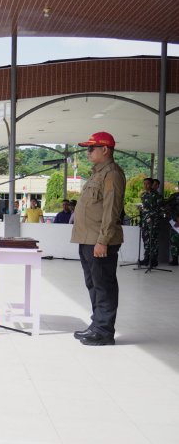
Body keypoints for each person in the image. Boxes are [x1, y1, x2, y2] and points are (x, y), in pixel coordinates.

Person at [71, 132, 126, 346]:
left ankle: (104, 331)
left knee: (104, 285)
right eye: (87, 148)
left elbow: (111, 210)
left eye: (91, 148)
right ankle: (97, 325)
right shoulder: (97, 173)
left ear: (105, 150)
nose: (88, 152)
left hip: (100, 241)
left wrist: (103, 240)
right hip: (87, 239)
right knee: (93, 284)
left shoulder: (112, 174)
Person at [140, 178, 162, 267]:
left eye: (148, 184)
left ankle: (153, 260)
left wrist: (151, 215)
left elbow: (159, 209)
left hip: (153, 221)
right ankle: (146, 258)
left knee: (153, 240)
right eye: (144, 184)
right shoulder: (143, 195)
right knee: (145, 239)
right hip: (145, 221)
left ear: (152, 184)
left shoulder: (157, 196)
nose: (145, 185)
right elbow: (144, 208)